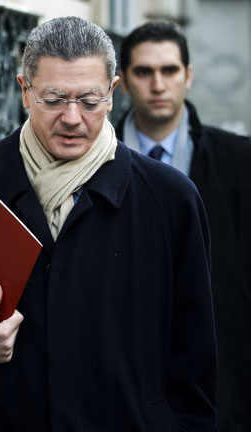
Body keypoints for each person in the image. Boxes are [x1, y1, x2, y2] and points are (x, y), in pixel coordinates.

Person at [0, 16, 217, 431]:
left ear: (112, 94)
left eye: (89, 101)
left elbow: (194, 362)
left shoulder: (171, 198)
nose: (72, 117)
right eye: (54, 99)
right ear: (25, 91)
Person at [116, 21, 251, 431]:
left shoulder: (239, 160)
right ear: (123, 82)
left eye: (169, 70)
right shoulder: (90, 162)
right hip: (120, 373)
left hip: (219, 376)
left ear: (188, 76)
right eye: (144, 71)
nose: (158, 84)